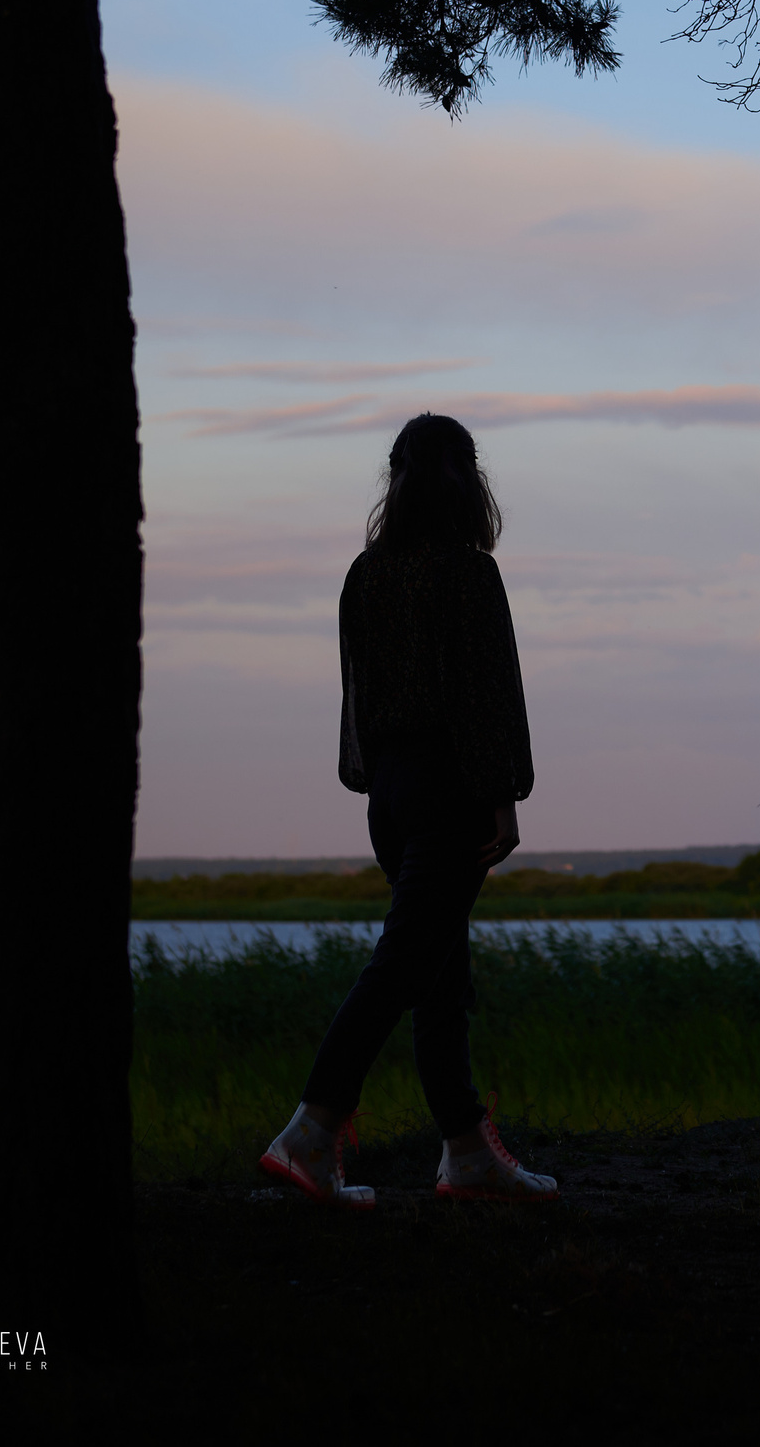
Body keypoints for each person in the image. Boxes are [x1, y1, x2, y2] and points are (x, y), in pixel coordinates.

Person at [258, 414, 557, 1208]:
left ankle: (465, 1150)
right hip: (449, 794)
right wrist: (505, 796)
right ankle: (310, 1134)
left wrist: (388, 784)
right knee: (403, 966)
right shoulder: (468, 573)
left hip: (388, 793)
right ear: (469, 479)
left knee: (435, 969)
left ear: (396, 481)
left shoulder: (367, 574)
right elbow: (489, 694)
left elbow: (359, 699)